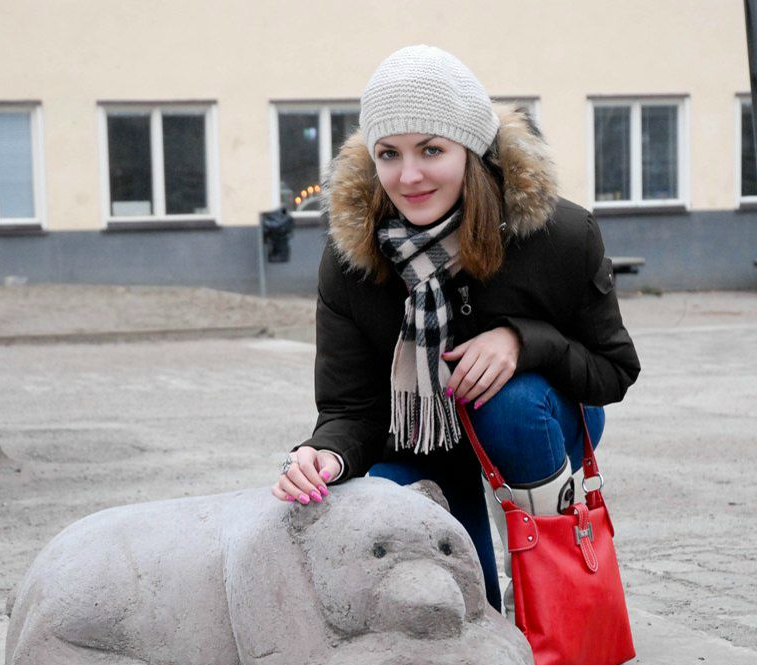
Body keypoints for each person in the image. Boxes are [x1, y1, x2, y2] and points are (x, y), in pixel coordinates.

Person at [270, 45, 640, 612]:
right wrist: (325, 454)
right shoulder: (352, 257)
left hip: (536, 418)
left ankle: (551, 583)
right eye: (389, 153)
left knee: (509, 403)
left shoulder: (557, 234)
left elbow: (613, 370)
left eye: (431, 149)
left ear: (471, 149)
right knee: (389, 513)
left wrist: (522, 342)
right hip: (428, 445)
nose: (409, 175)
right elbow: (352, 409)